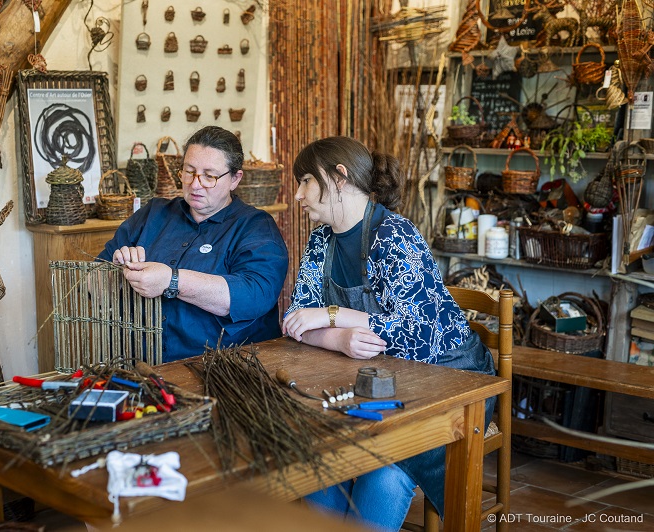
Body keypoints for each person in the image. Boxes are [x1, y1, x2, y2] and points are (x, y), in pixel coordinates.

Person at [282, 136, 496, 531]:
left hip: (452, 380)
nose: (298, 195)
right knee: (314, 462)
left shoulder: (394, 234)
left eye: (306, 182)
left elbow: (417, 334)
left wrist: (334, 313)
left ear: (339, 178)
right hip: (379, 380)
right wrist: (339, 338)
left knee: (382, 474)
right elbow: (296, 319)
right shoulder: (322, 241)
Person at [98, 126, 288, 362]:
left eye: (209, 176)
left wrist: (172, 279)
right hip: (143, 366)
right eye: (189, 171)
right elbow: (89, 284)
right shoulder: (153, 215)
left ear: (235, 179)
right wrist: (117, 270)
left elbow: (255, 294)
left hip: (226, 369)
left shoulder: (255, 227)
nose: (195, 184)